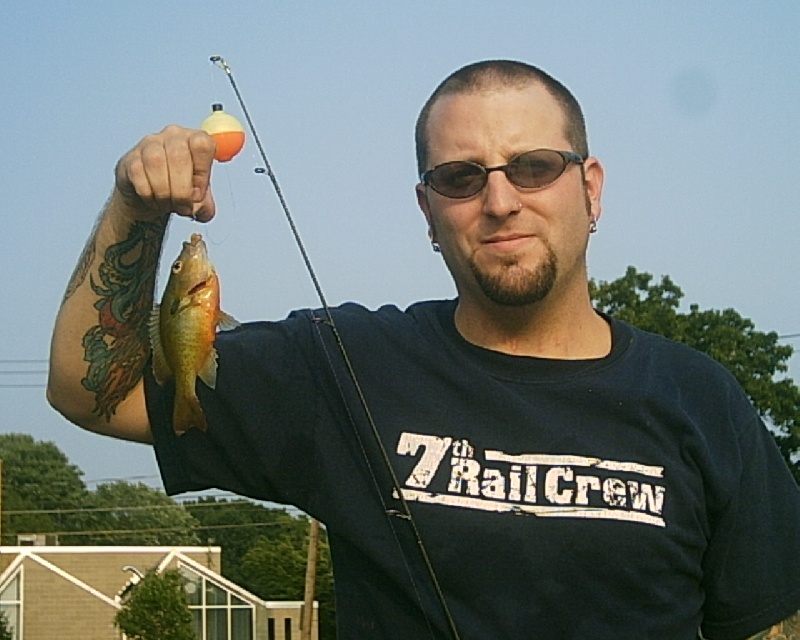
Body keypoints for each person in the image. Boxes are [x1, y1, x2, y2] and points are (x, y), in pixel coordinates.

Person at [48, 60, 800, 639]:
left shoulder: (702, 398)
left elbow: (763, 625)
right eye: (460, 177)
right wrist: (136, 209)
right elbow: (92, 393)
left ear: (591, 188)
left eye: (534, 167)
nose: (500, 200)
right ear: (428, 210)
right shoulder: (341, 364)